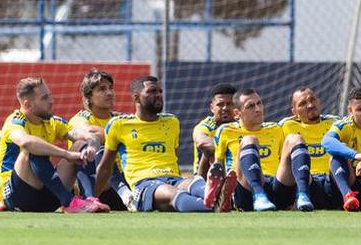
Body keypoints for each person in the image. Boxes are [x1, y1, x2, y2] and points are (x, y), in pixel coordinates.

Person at [95, 76, 230, 213]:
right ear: (136, 98)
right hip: (144, 183)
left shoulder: (172, 122)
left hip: (173, 177)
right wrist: (91, 197)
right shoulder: (119, 125)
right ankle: (215, 204)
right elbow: (106, 167)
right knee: (173, 194)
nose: (158, 95)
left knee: (195, 183)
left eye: (160, 91)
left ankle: (215, 194)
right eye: (152, 91)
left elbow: (173, 157)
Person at [0, 77, 107, 213]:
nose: (51, 101)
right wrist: (66, 154)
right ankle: (69, 202)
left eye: (49, 96)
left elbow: (89, 136)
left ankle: (89, 199)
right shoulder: (15, 121)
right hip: (17, 196)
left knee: (81, 144)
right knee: (32, 148)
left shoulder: (52, 122)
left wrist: (91, 147)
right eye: (44, 98)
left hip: (47, 196)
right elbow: (26, 142)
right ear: (27, 105)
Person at [214, 88, 314, 212]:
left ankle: (303, 196)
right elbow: (218, 166)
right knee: (249, 140)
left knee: (295, 138)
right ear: (236, 113)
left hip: (275, 188)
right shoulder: (226, 131)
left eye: (259, 103)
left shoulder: (275, 129)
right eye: (250, 106)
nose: (258, 109)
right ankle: (259, 195)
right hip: (246, 191)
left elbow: (284, 162)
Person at [69, 68, 132, 210]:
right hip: (97, 185)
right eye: (102, 89)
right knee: (99, 148)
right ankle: (88, 198)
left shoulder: (119, 118)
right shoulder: (80, 118)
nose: (109, 93)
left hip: (125, 180)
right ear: (89, 97)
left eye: (111, 88)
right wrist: (119, 136)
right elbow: (87, 132)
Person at [279, 87, 342, 210]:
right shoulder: (284, 126)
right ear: (294, 111)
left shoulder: (336, 123)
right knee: (295, 141)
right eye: (302, 104)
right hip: (307, 181)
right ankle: (302, 196)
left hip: (334, 180)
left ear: (319, 101)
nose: (310, 105)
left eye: (313, 99)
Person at [192, 83, 237, 177]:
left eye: (230, 104)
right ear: (212, 108)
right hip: (204, 176)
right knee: (208, 149)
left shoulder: (241, 124)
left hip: (236, 172)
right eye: (220, 104)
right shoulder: (205, 126)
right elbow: (202, 142)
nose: (225, 108)